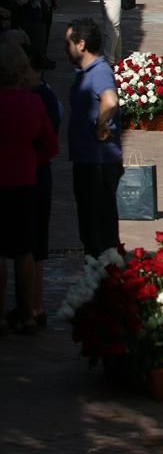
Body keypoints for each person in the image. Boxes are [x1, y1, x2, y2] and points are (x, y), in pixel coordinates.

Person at [2, 29, 61, 328]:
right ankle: (28, 310)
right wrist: (28, 161)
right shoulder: (33, 103)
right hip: (25, 181)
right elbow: (50, 146)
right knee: (25, 249)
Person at [65, 18, 122, 257]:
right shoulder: (85, 71)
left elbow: (110, 101)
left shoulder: (99, 71)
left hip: (98, 160)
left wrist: (101, 126)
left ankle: (106, 277)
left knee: (100, 231)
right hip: (87, 159)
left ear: (81, 44)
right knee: (90, 227)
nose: (65, 48)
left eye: (68, 42)